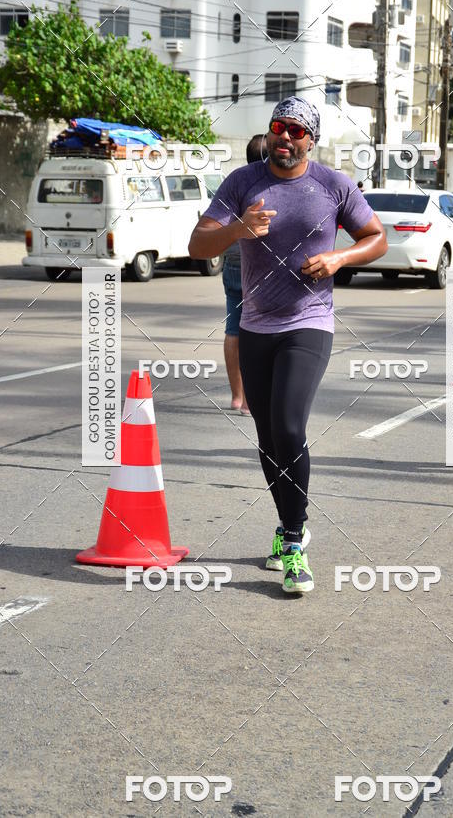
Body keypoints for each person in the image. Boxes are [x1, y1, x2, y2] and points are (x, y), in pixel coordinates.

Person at [188, 96, 387, 594]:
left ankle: (294, 543)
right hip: (256, 325)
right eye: (279, 127)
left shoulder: (333, 185)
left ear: (310, 140)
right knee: (267, 436)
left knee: (288, 424)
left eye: (297, 131)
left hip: (309, 321)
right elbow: (198, 244)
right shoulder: (242, 182)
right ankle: (285, 524)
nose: (285, 137)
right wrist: (239, 228)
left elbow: (376, 238)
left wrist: (340, 260)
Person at [222, 134, 266, 416]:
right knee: (257, 331)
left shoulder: (234, 182)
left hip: (231, 259)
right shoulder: (269, 183)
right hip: (258, 263)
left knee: (233, 327)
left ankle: (237, 396)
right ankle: (251, 401)